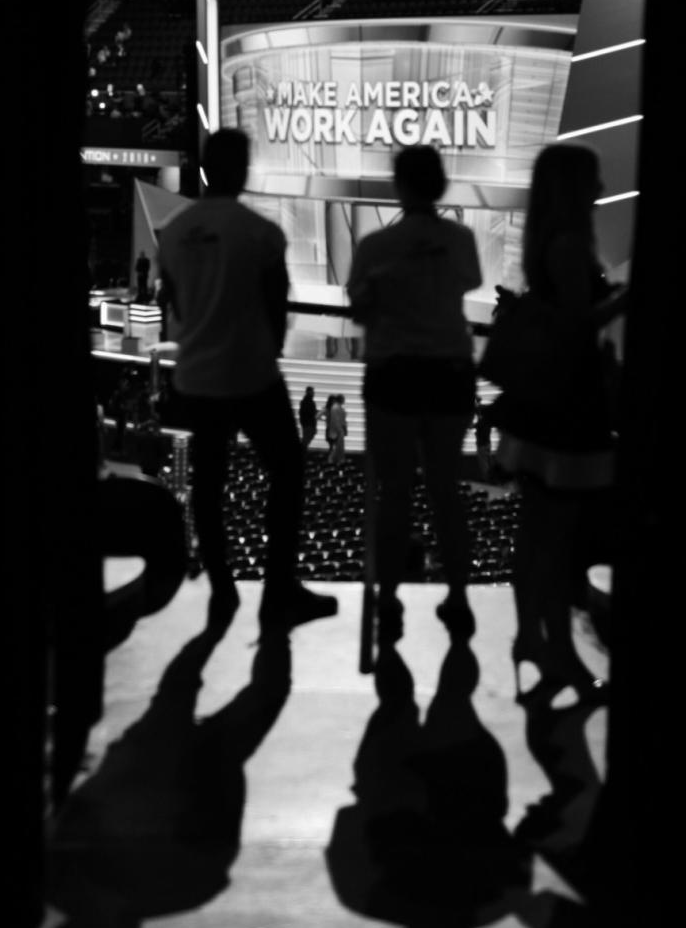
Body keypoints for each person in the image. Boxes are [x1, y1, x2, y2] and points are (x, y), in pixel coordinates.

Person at [158, 128, 338, 634]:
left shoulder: (172, 230)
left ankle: (222, 586)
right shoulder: (262, 233)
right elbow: (276, 311)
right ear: (242, 169)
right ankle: (278, 588)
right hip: (253, 375)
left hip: (196, 378)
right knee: (287, 473)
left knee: (208, 485)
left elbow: (170, 303)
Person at [491, 142, 627, 709]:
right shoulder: (571, 246)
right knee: (557, 541)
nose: (601, 185)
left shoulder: (547, 243)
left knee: (536, 534)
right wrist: (623, 298)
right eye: (593, 177)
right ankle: (557, 654)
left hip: (542, 412)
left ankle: (532, 640)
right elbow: (578, 328)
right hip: (568, 411)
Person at [347, 145, 482, 641]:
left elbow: (361, 312)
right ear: (441, 184)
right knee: (446, 491)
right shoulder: (461, 240)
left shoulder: (374, 248)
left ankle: (388, 600)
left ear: (397, 186)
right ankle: (459, 599)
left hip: (394, 374)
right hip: (448, 372)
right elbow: (468, 281)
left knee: (394, 493)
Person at [327, 394, 347, 465]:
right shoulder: (336, 408)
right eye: (343, 399)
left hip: (338, 430)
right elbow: (336, 420)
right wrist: (340, 430)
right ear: (340, 400)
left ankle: (337, 461)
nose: (344, 400)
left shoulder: (337, 407)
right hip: (337, 431)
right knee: (338, 447)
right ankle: (334, 461)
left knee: (338, 447)